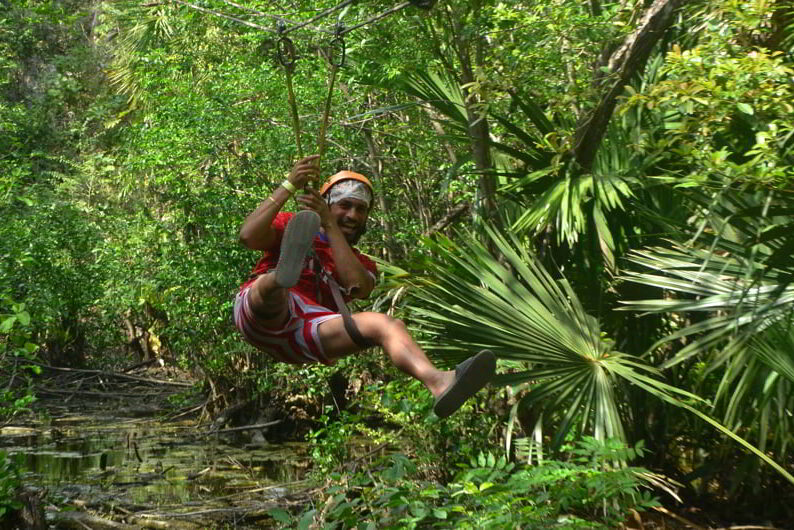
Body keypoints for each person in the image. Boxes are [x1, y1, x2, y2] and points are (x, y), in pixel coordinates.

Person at [234, 154, 495, 418]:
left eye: (361, 209)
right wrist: (290, 183)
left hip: (308, 332)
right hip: (261, 315)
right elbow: (248, 236)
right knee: (275, 293)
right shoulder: (294, 225)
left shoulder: (362, 264)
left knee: (386, 325)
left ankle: (439, 382)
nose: (352, 215)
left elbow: (358, 285)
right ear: (327, 204)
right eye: (345, 206)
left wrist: (328, 223)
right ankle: (279, 279)